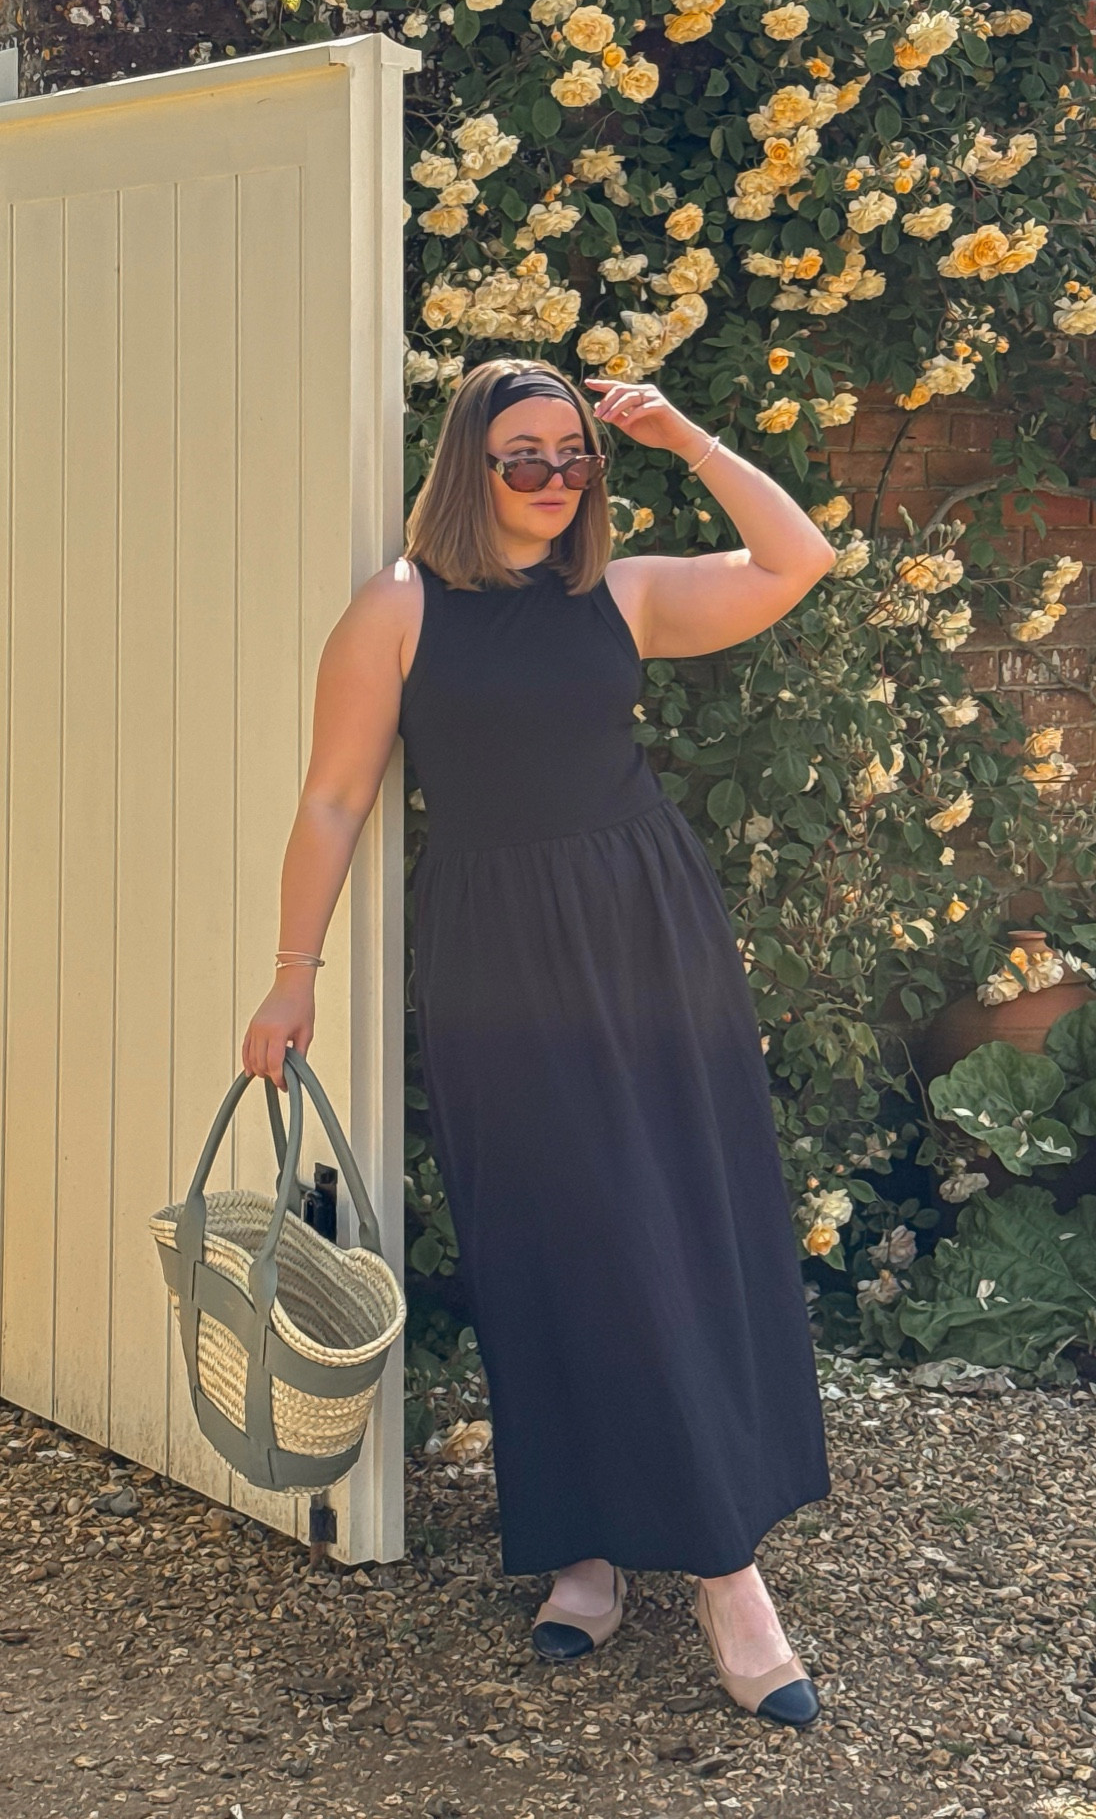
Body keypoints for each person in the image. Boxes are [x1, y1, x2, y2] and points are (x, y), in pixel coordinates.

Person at [242, 357, 837, 1727]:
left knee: (668, 1226)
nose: (556, 481)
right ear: (469, 467)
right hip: (498, 951)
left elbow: (794, 556)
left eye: (575, 457)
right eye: (525, 458)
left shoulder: (615, 595)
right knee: (549, 1233)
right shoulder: (399, 610)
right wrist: (292, 979)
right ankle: (579, 1544)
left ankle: (727, 1572)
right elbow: (334, 801)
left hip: (644, 935)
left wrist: (678, 429)